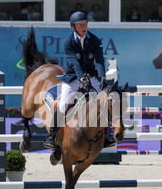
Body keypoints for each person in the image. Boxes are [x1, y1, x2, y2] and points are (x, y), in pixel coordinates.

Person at [43, 11, 116, 149]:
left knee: (103, 100)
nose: (84, 27)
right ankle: (51, 136)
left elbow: (100, 60)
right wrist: (82, 78)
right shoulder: (68, 43)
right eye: (80, 25)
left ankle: (106, 135)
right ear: (73, 27)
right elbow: (74, 62)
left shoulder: (94, 40)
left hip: (91, 75)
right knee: (63, 104)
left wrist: (102, 77)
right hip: (73, 78)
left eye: (85, 24)